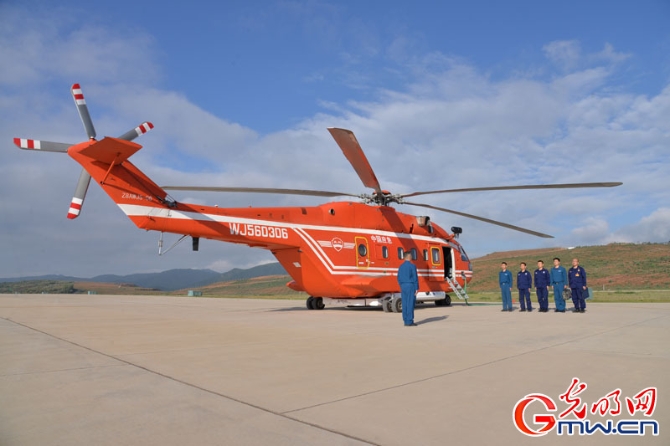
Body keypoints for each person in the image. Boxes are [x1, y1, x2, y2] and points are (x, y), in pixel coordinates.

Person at [397, 251, 419, 326]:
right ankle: (409, 321)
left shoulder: (401, 266)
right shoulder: (412, 266)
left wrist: (401, 285)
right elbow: (415, 277)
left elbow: (398, 277)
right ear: (409, 257)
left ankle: (405, 320)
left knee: (405, 303)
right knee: (410, 303)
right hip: (410, 285)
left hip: (403, 286)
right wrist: (416, 288)